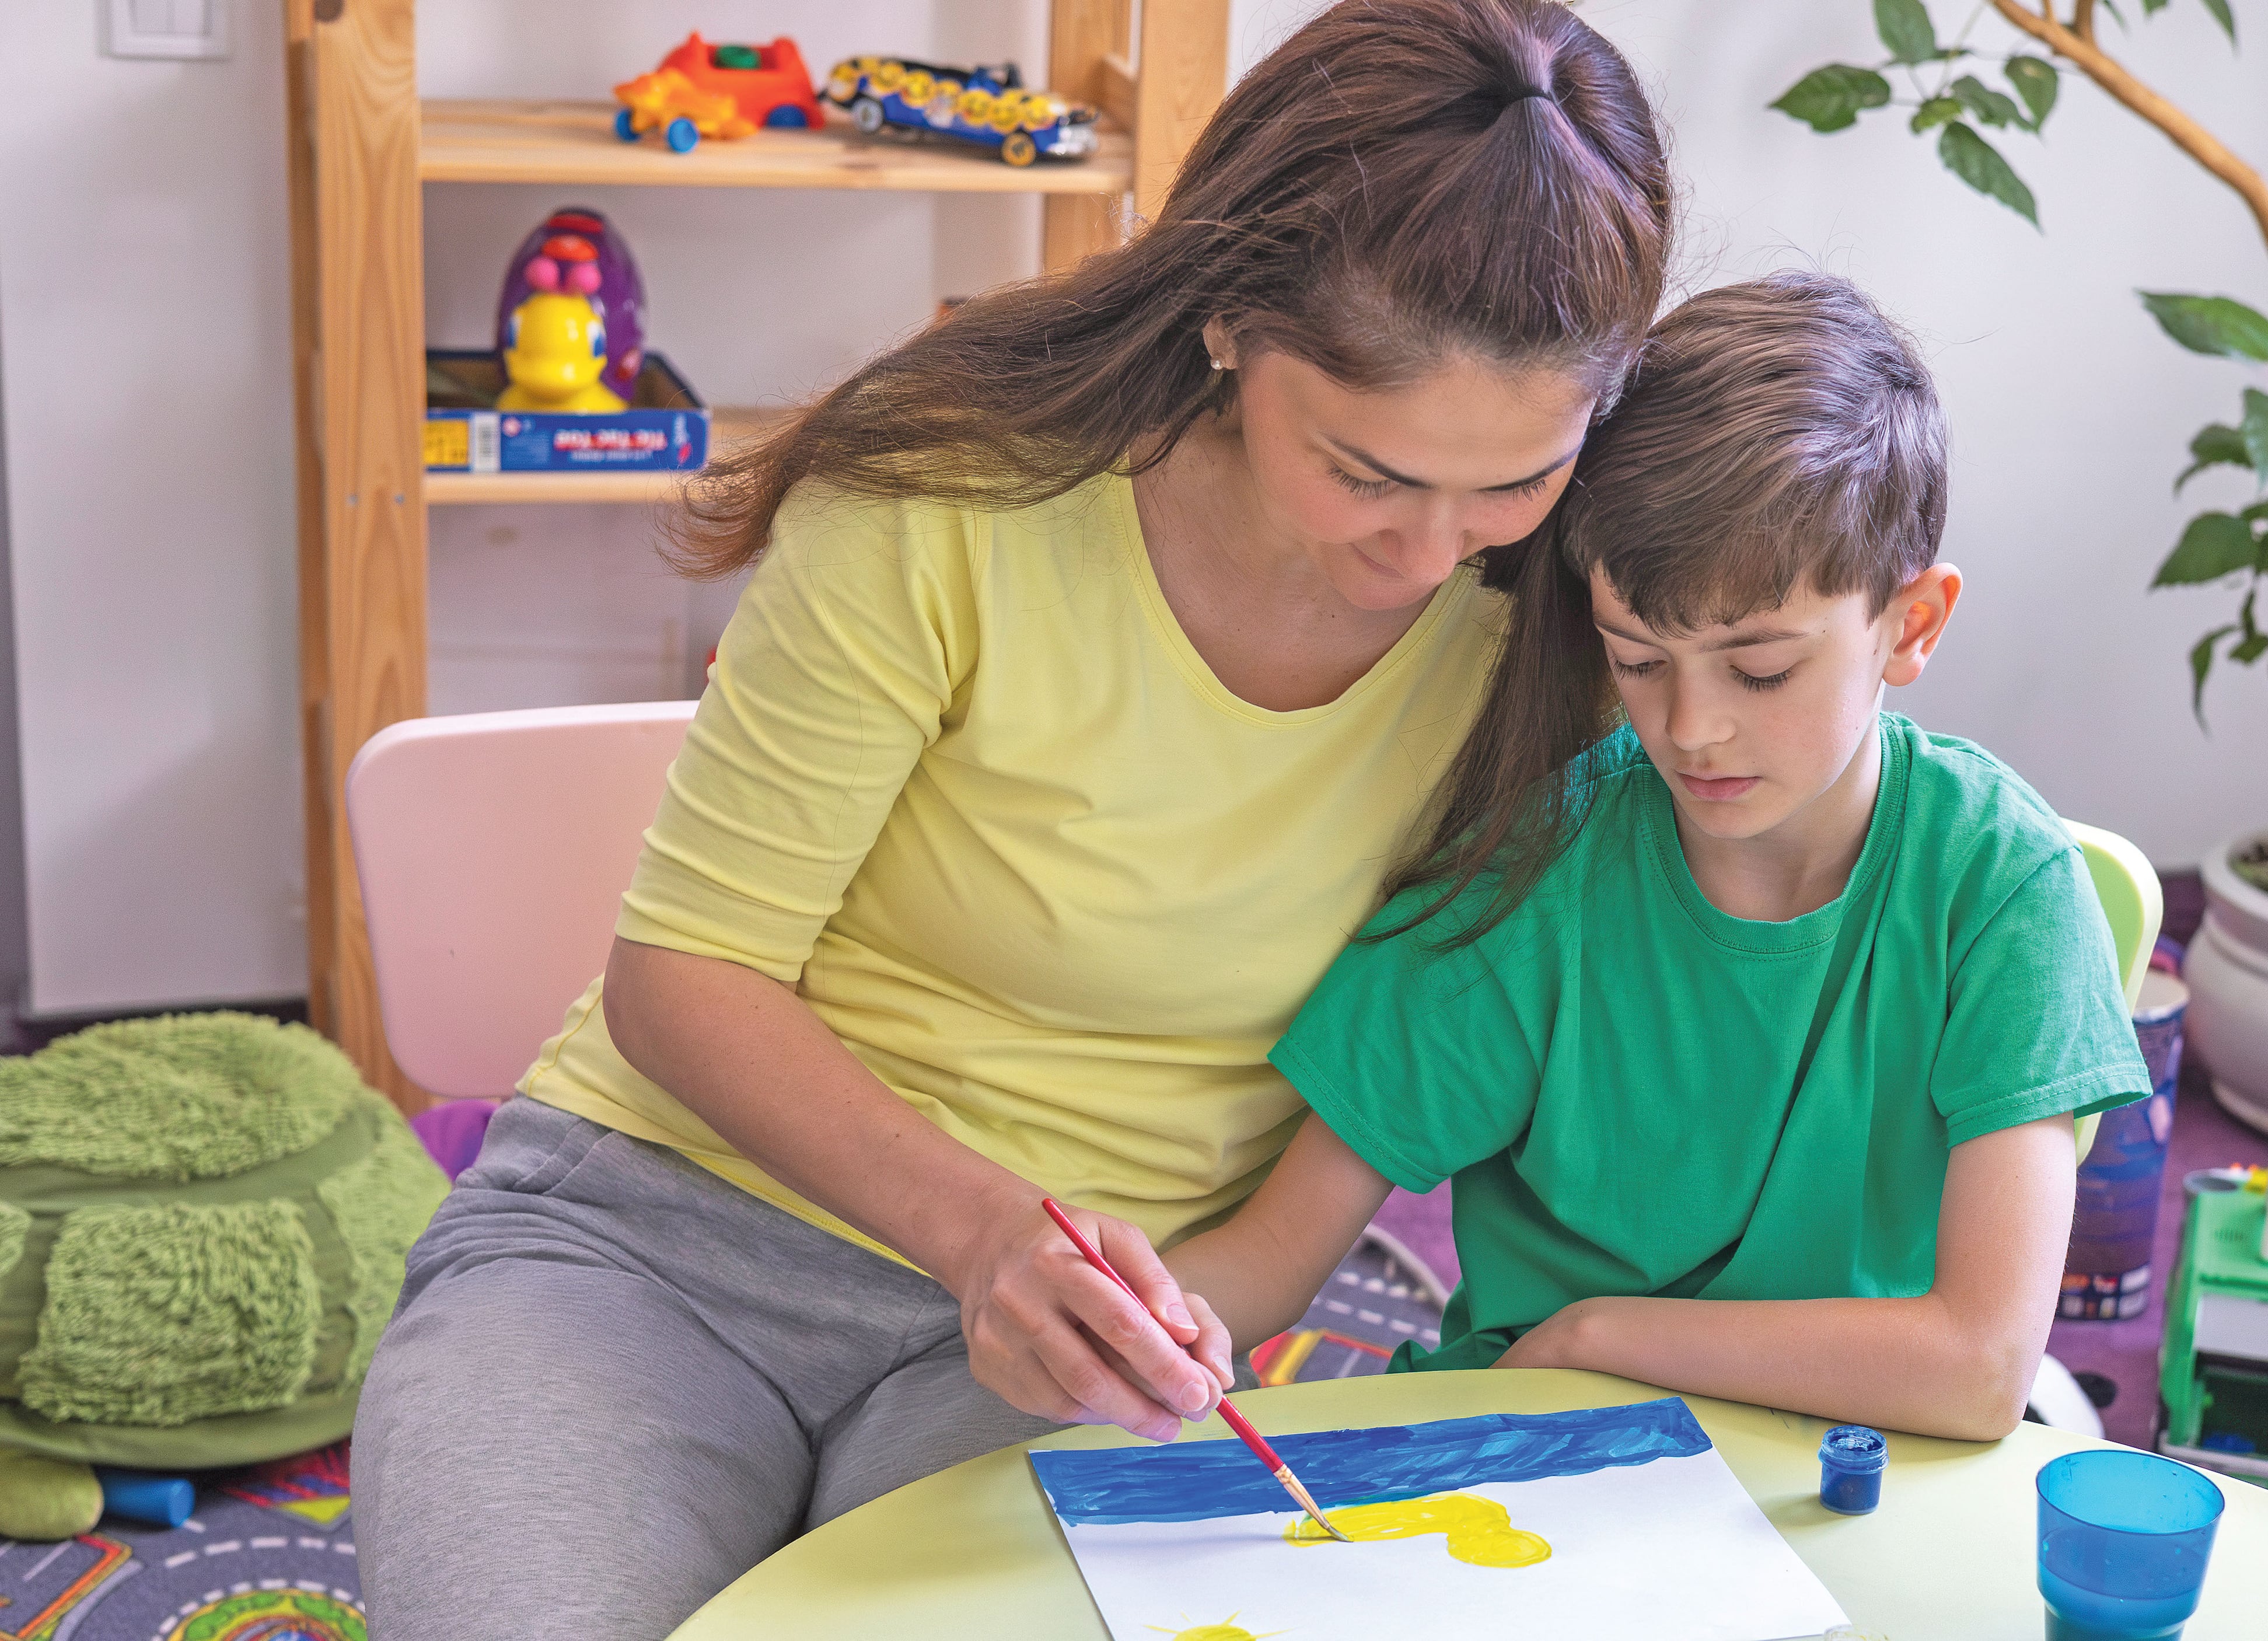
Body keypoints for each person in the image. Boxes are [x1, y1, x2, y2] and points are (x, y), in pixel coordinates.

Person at [348, 3, 1671, 1634]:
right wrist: (987, 1234)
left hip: (1091, 1343)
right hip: (655, 1233)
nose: (1430, 553)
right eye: (1367, 471)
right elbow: (684, 974)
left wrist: (1176, 1300)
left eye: (1512, 482)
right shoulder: (952, 483)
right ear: (1230, 325)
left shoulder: (1564, 617)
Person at [1166, 274, 2152, 1439]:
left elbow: (1980, 1366)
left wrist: (1602, 1334)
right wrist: (1139, 1316)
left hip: (1853, 1453)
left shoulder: (2003, 887)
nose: (1690, 728)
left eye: (1761, 668)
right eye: (1638, 658)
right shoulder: (1541, 874)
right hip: (1542, 1444)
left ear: (1912, 624)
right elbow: (1276, 1249)